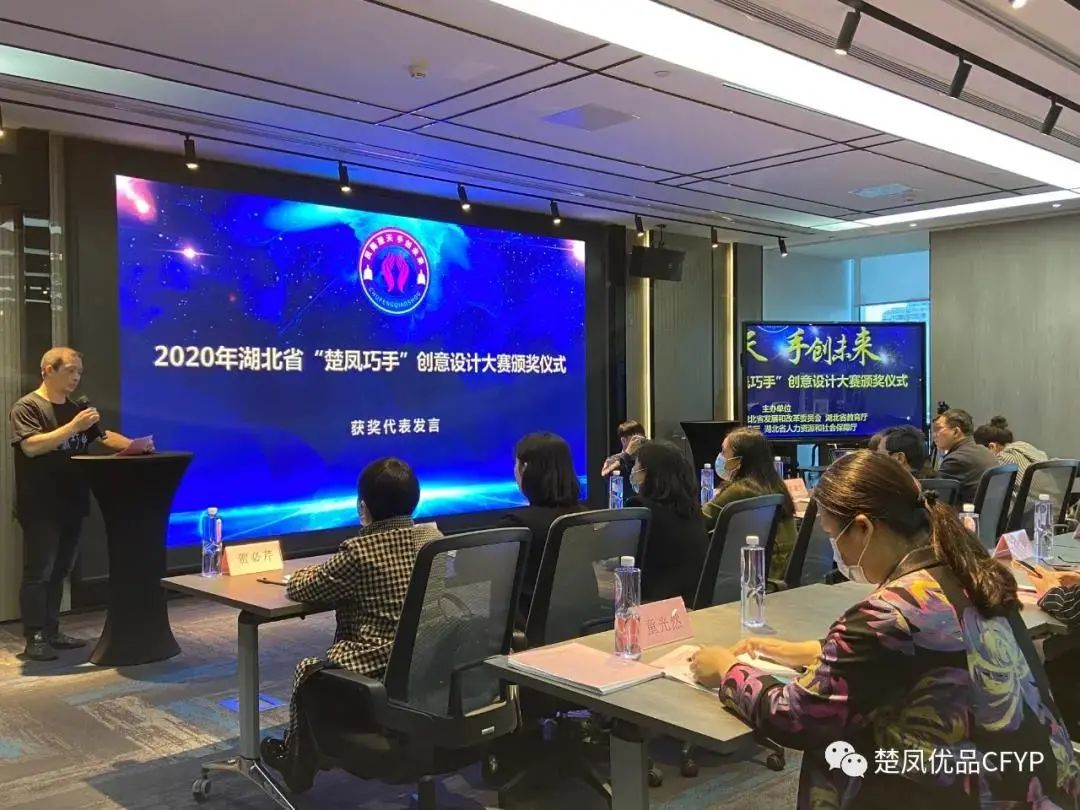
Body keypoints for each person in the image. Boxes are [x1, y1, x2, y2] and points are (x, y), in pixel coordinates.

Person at [690, 451, 1080, 809]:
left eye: (833, 536)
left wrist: (727, 669)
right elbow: (925, 652)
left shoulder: (887, 613)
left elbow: (795, 717)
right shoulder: (972, 576)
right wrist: (809, 650)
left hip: (968, 794)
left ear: (863, 528)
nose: (836, 553)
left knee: (840, 749)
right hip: (1043, 787)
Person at [261, 458, 442, 792]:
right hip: (430, 663)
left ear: (363, 508)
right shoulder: (433, 539)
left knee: (308, 671)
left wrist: (302, 573)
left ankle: (298, 762)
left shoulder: (359, 551)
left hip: (376, 671)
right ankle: (306, 754)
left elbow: (304, 588)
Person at [9, 347, 141, 662]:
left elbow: (103, 437)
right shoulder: (27, 406)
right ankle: (35, 636)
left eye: (79, 371)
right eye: (70, 370)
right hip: (41, 504)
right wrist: (73, 427)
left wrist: (137, 446)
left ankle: (52, 630)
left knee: (61, 570)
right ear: (48, 370)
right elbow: (31, 446)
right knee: (39, 572)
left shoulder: (75, 409)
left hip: (73, 500)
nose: (76, 377)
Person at [499, 432, 583, 620]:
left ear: (525, 468)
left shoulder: (516, 525)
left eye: (516, 463)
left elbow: (469, 570)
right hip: (583, 622)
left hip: (530, 625)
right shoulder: (585, 517)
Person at [702, 427, 796, 580]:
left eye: (724, 452)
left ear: (739, 460)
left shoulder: (740, 490)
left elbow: (701, 521)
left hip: (757, 576)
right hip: (777, 573)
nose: (720, 457)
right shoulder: (775, 485)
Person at [627, 441, 709, 604]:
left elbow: (617, 555)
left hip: (652, 607)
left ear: (648, 474)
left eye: (636, 466)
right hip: (691, 604)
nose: (633, 471)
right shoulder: (693, 511)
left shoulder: (641, 510)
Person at [933, 408, 1000, 503]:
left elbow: (937, 500)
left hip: (965, 512)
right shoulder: (985, 451)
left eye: (938, 429)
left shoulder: (956, 460)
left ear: (956, 432)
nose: (934, 435)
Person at [974, 416, 1049, 493]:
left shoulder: (1002, 459)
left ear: (991, 447)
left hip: (1033, 499)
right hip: (1049, 497)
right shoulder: (1022, 446)